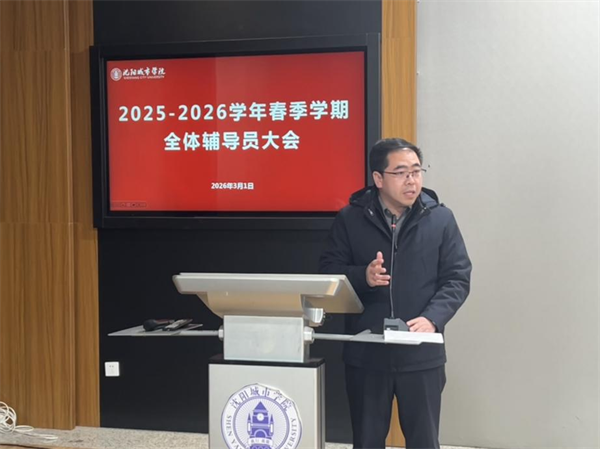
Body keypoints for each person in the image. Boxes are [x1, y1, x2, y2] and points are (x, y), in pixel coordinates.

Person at [319, 138, 472, 449]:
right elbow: (328, 273)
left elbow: (457, 277)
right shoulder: (350, 218)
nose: (411, 180)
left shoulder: (440, 218)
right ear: (378, 178)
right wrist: (363, 276)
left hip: (421, 351)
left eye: (416, 171)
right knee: (367, 440)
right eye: (401, 173)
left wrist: (432, 319)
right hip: (367, 352)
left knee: (424, 440)